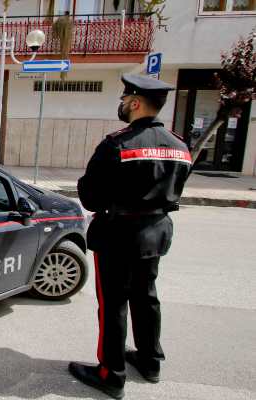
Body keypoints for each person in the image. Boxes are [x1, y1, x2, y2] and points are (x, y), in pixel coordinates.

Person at [69, 73, 192, 399]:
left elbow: (90, 198)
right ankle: (150, 361)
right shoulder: (180, 146)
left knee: (113, 305)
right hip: (156, 233)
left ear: (135, 102)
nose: (122, 105)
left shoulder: (117, 144)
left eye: (124, 100)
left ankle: (112, 373)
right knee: (146, 296)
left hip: (118, 235)